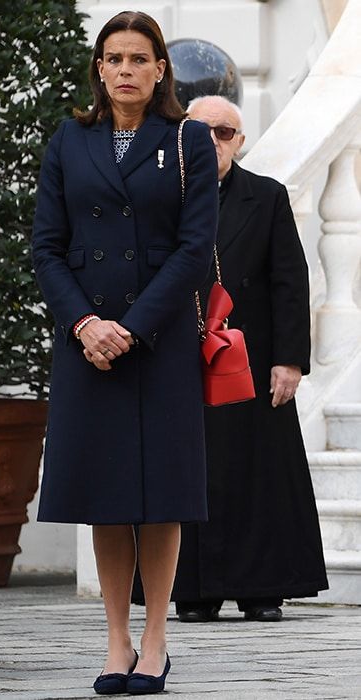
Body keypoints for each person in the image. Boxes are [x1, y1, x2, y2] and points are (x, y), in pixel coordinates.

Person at [31, 12, 218, 695]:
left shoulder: (187, 140)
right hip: (87, 348)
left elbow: (194, 249)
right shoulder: (69, 141)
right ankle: (116, 642)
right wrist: (85, 323)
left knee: (160, 497)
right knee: (107, 498)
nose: (127, 69)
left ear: (161, 68)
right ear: (99, 68)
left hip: (158, 341)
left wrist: (131, 328)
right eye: (114, 58)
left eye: (141, 58)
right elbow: (47, 246)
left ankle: (156, 640)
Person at [132, 94, 328, 622]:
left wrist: (290, 360)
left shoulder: (266, 197)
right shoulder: (155, 197)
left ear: (239, 141)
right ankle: (193, 592)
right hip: (177, 356)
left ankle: (263, 589)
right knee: (188, 472)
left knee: (258, 472)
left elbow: (291, 281)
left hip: (253, 361)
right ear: (185, 137)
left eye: (226, 132)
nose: (215, 141)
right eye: (204, 130)